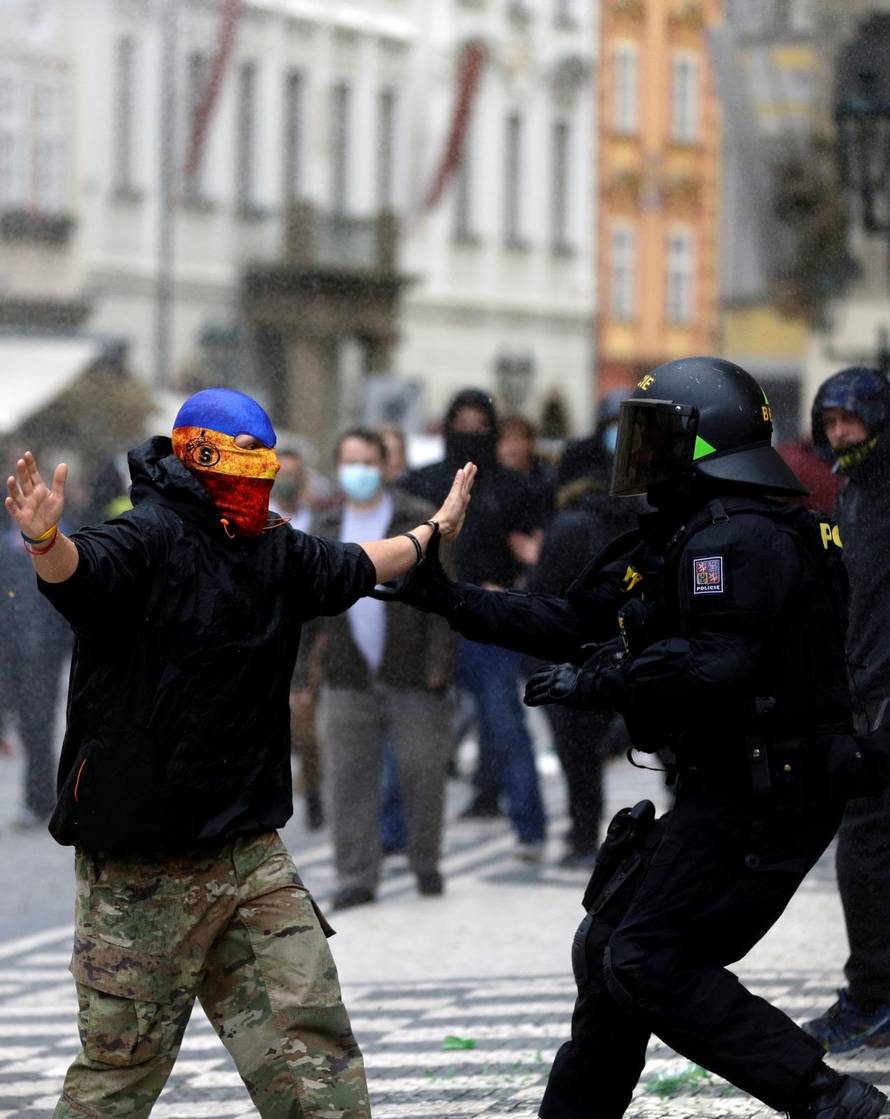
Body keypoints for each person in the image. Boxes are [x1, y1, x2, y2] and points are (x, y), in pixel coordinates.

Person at [375, 357, 887, 1119]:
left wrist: (605, 680)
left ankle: (826, 1096)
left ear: (705, 441)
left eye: (654, 433)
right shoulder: (681, 530)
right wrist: (446, 598)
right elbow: (568, 619)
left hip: (771, 791)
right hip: (729, 783)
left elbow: (719, 663)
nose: (636, 450)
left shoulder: (744, 536)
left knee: (647, 957)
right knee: (606, 944)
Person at [4, 387, 475, 1119]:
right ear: (197, 460)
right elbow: (82, 569)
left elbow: (353, 564)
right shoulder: (149, 537)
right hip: (140, 868)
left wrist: (429, 534)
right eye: (242, 470)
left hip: (248, 854)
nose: (257, 486)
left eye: (267, 471)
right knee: (118, 1080)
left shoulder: (274, 549)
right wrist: (44, 541)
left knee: (312, 1062)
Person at [312, 427, 457, 909]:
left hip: (413, 670)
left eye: (367, 462)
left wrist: (441, 663)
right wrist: (299, 675)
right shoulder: (326, 525)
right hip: (347, 673)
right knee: (348, 777)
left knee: (422, 771)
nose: (358, 472)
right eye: (349, 462)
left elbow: (444, 595)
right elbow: (306, 605)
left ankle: (426, 862)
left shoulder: (415, 518)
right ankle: (356, 875)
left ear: (384, 465)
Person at [401, 389, 548, 858]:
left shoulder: (511, 487)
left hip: (486, 619)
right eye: (459, 420)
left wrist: (513, 590)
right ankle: (394, 831)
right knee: (410, 729)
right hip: (428, 621)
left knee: (503, 723)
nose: (468, 430)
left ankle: (530, 826)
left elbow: (537, 551)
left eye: (476, 422)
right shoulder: (422, 482)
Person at [803, 366, 890, 1053]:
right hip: (865, 690)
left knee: (864, 849)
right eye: (830, 423)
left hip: (886, 698)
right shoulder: (853, 494)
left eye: (850, 421)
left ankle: (873, 995)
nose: (839, 434)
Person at [0, 520, 71, 828]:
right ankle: (41, 798)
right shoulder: (55, 535)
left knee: (36, 726)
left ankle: (41, 799)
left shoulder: (51, 535)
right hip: (31, 647)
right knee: (35, 725)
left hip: (32, 648)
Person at [272, 447, 324, 827]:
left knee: (307, 729)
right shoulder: (255, 520)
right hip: (268, 632)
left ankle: (315, 793)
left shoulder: (319, 522)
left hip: (310, 634)